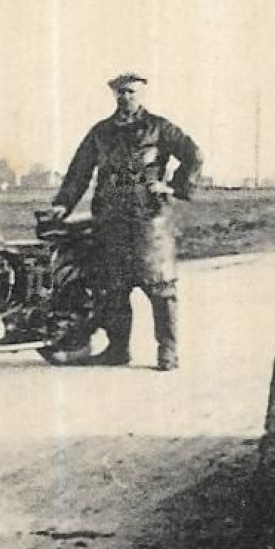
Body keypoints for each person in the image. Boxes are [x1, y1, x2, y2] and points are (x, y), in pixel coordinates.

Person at [49, 72, 202, 371]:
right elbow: (79, 171)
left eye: (131, 92)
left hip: (150, 221)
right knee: (112, 288)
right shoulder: (101, 132)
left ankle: (167, 351)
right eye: (121, 92)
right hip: (110, 220)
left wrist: (172, 187)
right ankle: (118, 349)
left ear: (141, 94)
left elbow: (194, 154)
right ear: (114, 96)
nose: (126, 97)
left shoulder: (159, 128)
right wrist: (62, 204)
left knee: (160, 287)